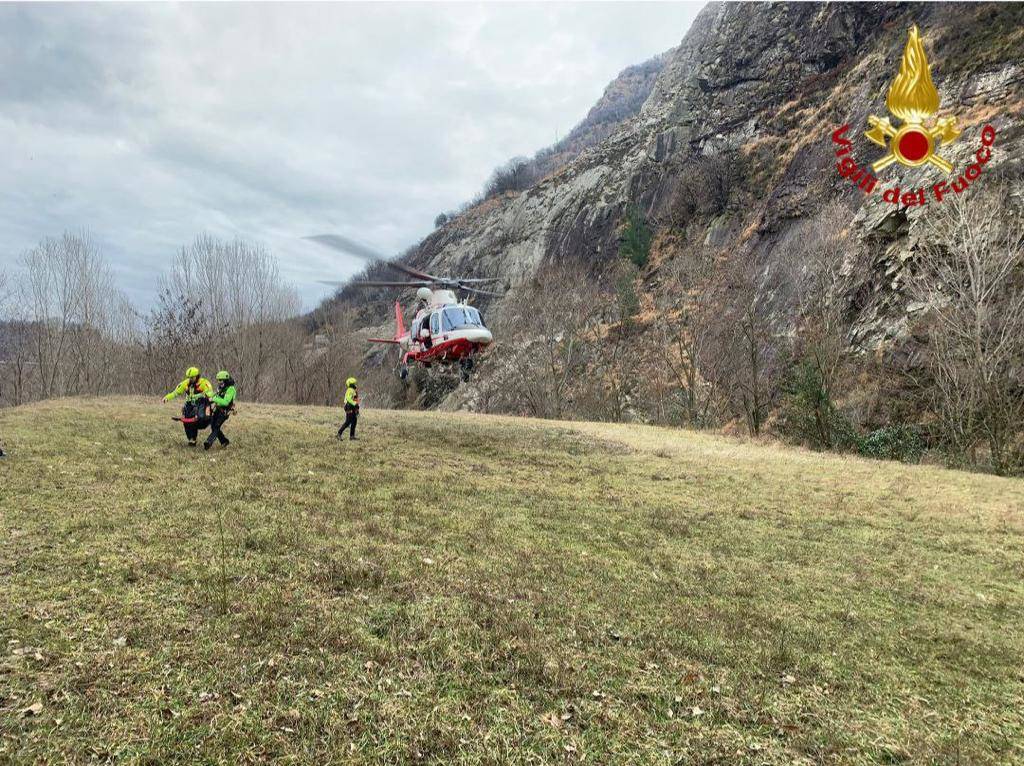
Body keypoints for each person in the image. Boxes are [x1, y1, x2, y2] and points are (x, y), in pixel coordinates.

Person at [163, 366, 213, 446]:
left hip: (200, 404)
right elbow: (176, 392)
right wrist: (167, 398)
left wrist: (206, 395)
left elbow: (210, 392)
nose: (190, 379)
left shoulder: (204, 383)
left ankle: (202, 427)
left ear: (197, 376)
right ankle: (191, 439)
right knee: (186, 422)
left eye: (192, 377)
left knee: (197, 421)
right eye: (189, 378)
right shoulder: (185, 383)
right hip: (189, 405)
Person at [204, 371, 236, 450]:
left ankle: (209, 442)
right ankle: (224, 441)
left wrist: (214, 399)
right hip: (217, 409)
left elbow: (225, 402)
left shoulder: (231, 389)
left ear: (225, 380)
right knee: (213, 426)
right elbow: (216, 395)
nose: (219, 382)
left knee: (216, 426)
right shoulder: (221, 387)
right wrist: (208, 395)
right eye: (218, 380)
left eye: (220, 380)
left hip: (225, 412)